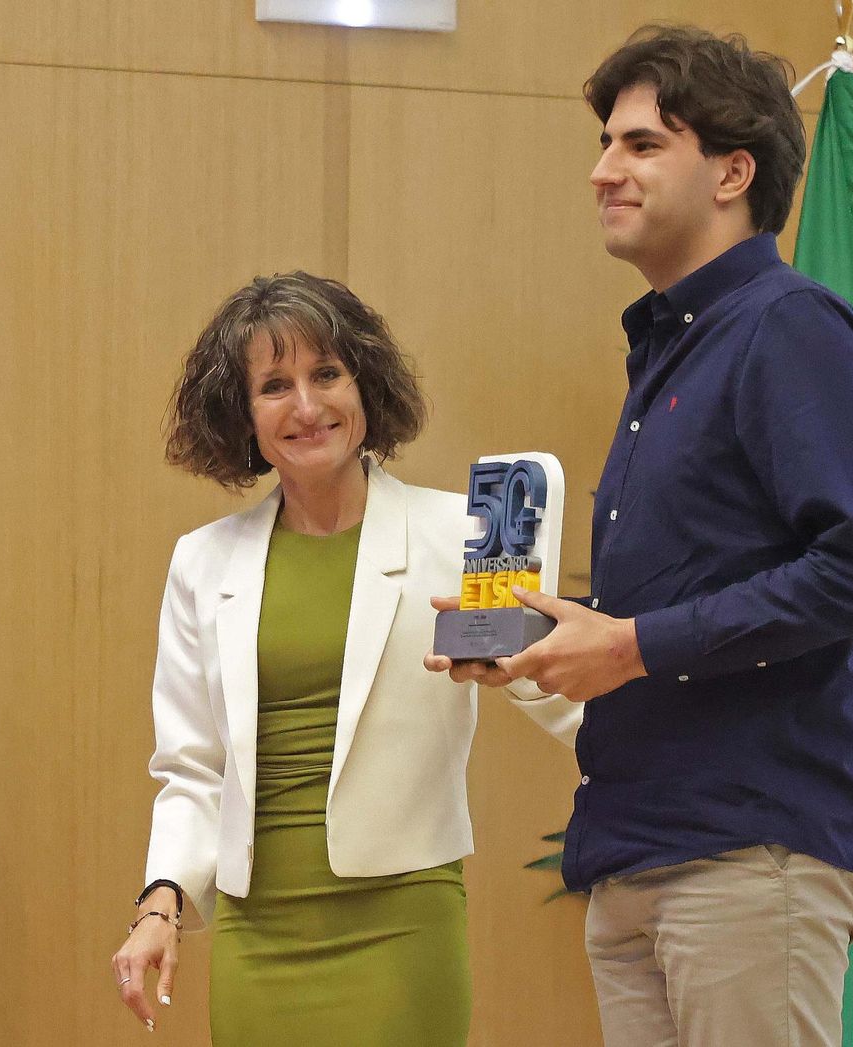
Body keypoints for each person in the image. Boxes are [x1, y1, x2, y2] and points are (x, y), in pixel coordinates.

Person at [437, 26, 853, 1047]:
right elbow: (689, 596)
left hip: (751, 850)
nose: (602, 170)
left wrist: (629, 646)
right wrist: (557, 634)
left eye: (643, 145)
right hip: (638, 846)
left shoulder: (788, 326)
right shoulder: (669, 346)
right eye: (606, 144)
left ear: (732, 173)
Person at [110, 271, 580, 1043]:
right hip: (257, 933)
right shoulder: (202, 560)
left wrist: (531, 664)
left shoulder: (463, 532)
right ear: (241, 413)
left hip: (402, 923)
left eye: (326, 373)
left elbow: (565, 695)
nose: (306, 406)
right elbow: (191, 767)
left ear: (366, 383)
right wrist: (161, 902)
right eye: (274, 385)